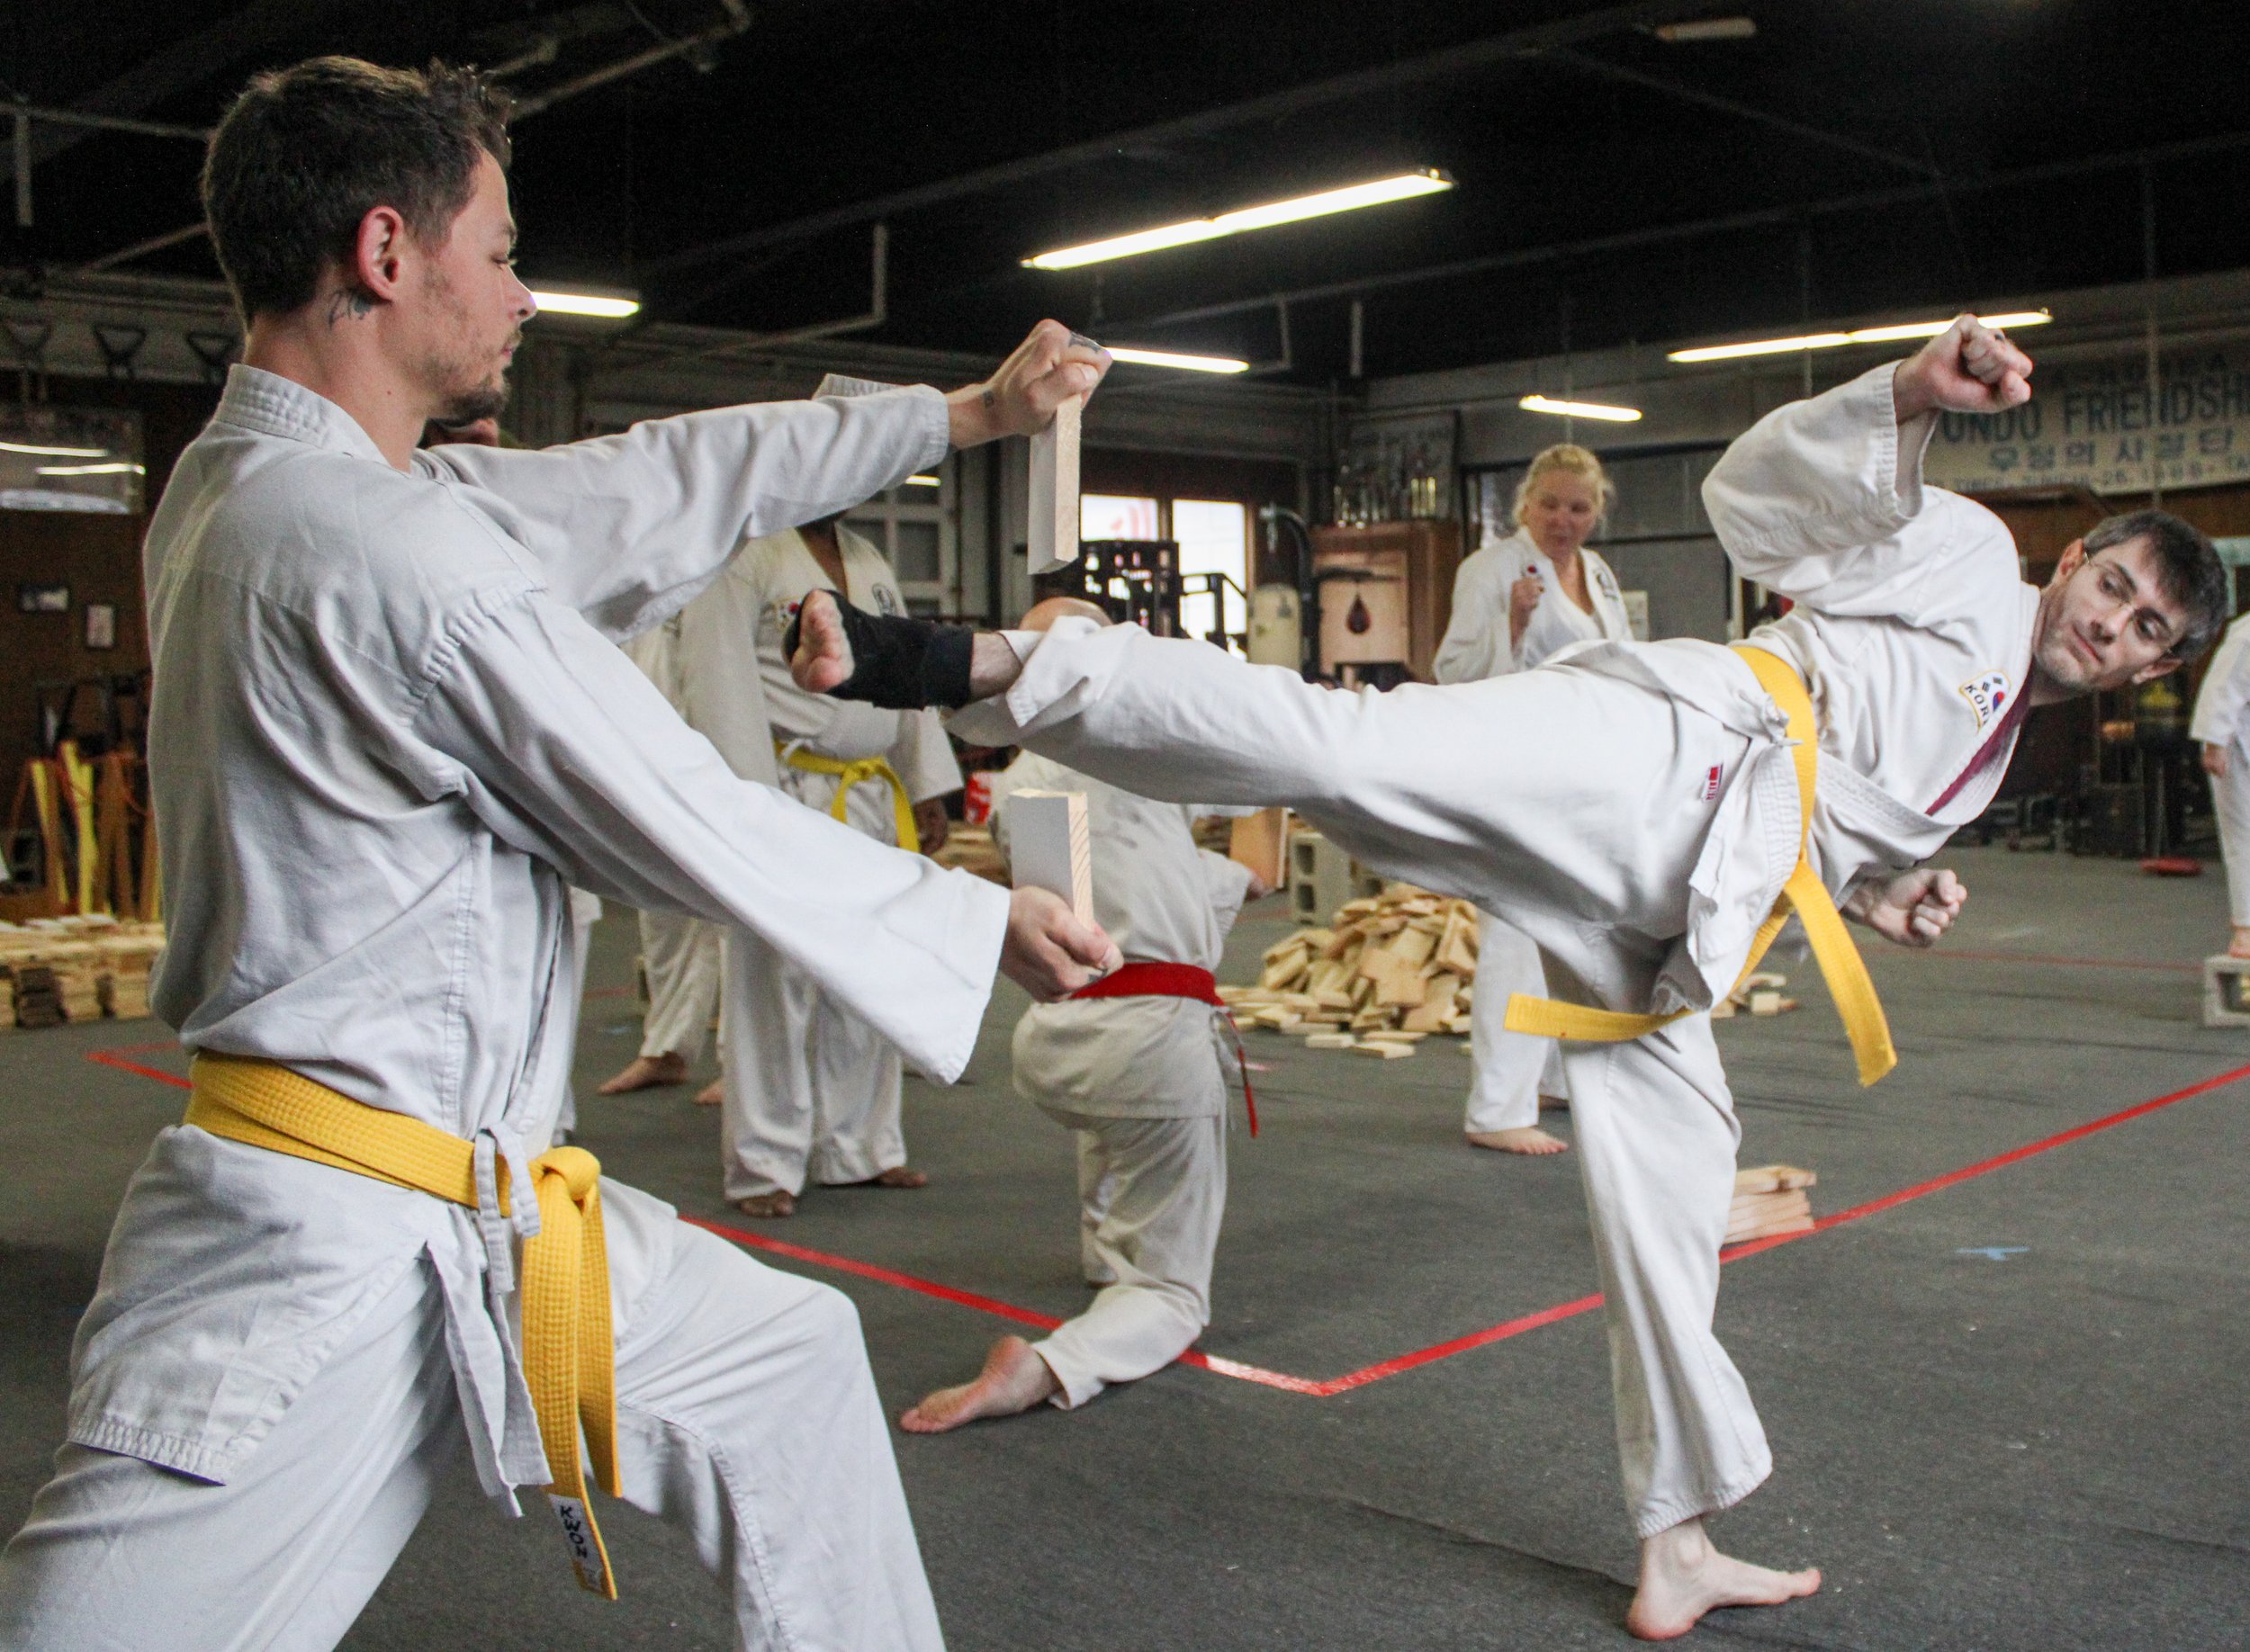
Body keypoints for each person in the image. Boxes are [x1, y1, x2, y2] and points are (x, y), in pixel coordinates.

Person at [792, 314, 2228, 1640]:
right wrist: (1909, 398)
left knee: (1680, 1173)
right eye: (2113, 585)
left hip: (1689, 899)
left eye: (2148, 629)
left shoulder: (1995, 753)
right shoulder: (1976, 558)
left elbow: (1854, 799)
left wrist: (1889, 883)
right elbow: (1772, 506)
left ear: (2151, 670)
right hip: (1674, 751)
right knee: (1349, 754)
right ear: (2080, 556)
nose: (2112, 623)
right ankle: (972, 659)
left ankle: (1676, 1540)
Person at [0, 58, 1117, 1652]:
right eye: (505, 250)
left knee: (787, 1361)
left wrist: (961, 415)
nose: (525, 295)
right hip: (311, 1253)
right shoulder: (368, 544)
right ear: (389, 255)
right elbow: (658, 797)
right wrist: (967, 912)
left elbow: (658, 480)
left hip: (481, 1208)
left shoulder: (278, 487)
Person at [901, 597, 1265, 1432]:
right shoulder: (1151, 763)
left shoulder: (1025, 776)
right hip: (1153, 1048)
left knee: (1111, 1086)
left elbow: (1072, 921)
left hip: (1060, 1040)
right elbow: (1250, 876)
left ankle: (1109, 1256)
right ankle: (1049, 1364)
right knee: (1173, 1293)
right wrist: (1269, 789)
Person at [683, 512, 962, 1218]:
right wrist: (742, 805)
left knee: (872, 973)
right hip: (786, 789)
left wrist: (925, 784)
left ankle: (860, 1147)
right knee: (772, 980)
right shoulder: (745, 554)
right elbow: (718, 679)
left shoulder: (868, 560)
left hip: (871, 790)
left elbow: (906, 665)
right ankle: (765, 1160)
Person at [1435, 444, 1635, 1155]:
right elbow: (1451, 670)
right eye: (1549, 504)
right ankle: (1496, 1109)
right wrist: (1511, 625)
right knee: (1518, 938)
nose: (1562, 519)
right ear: (1525, 506)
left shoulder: (1600, 576)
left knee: (1580, 936)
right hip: (1515, 768)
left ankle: (1552, 1078)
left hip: (1583, 774)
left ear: (1595, 513)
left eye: (1578, 507)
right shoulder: (1489, 569)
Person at [600, 614, 729, 1103]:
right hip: (651, 749)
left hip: (723, 756)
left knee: (734, 922)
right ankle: (666, 1048)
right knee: (661, 909)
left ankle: (741, 1065)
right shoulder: (645, 580)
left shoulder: (736, 566)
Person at [2192, 607, 2250, 957]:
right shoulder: (2247, 633)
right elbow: (2222, 686)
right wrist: (2214, 742)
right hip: (2234, 745)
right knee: (2243, 836)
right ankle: (2246, 929)